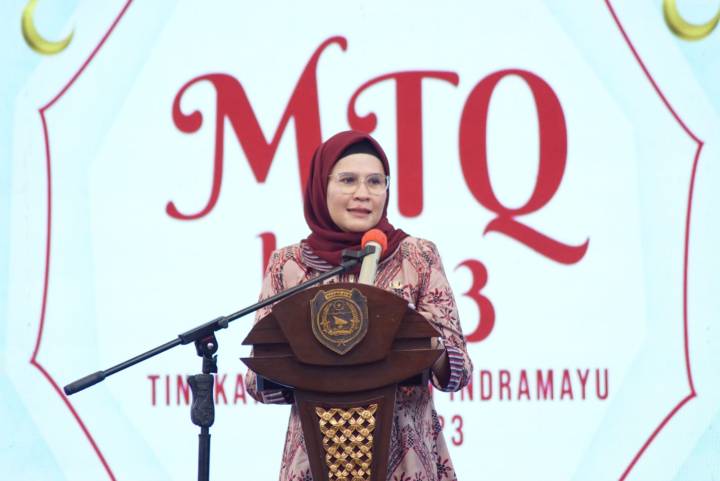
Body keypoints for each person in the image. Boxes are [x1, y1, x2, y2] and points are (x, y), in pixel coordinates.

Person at [245, 130, 473, 481]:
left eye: (375, 182)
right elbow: (257, 380)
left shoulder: (417, 256)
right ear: (321, 188)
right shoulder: (288, 265)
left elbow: (459, 370)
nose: (363, 193)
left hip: (405, 459)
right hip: (316, 458)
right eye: (348, 180)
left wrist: (420, 345)